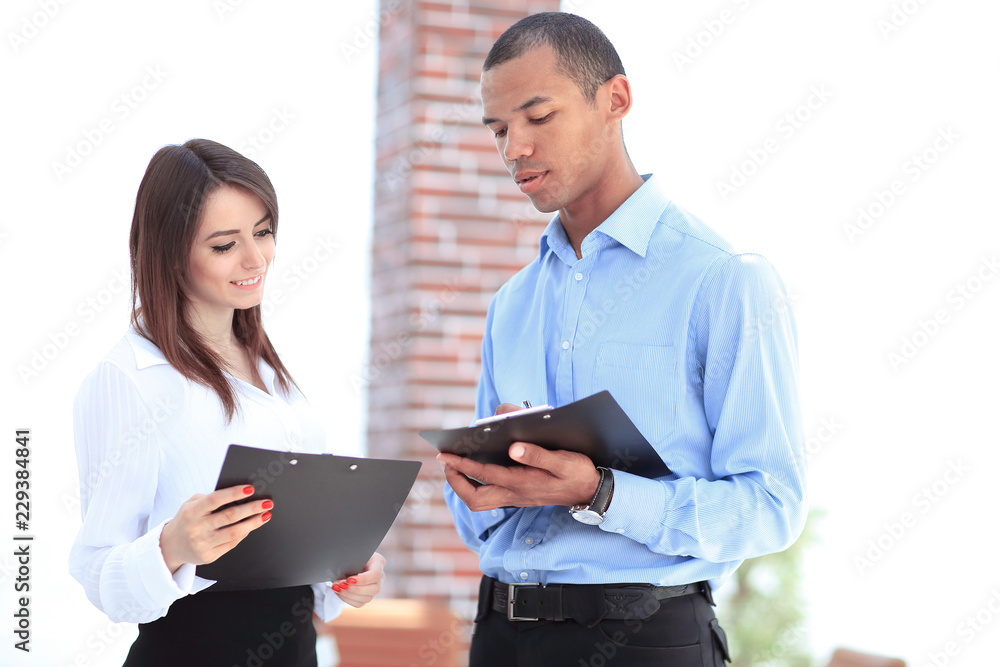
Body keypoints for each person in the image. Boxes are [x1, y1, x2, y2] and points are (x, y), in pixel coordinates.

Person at [436, 12, 806, 667]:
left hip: (642, 640)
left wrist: (600, 491)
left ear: (616, 100)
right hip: (499, 633)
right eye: (498, 129)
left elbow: (771, 505)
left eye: (537, 116)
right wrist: (478, 483)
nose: (513, 148)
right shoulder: (512, 304)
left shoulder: (720, 281)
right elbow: (479, 523)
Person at [69, 139, 384, 666]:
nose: (256, 258)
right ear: (171, 252)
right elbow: (99, 571)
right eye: (224, 245)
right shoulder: (129, 378)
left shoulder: (270, 371)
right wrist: (172, 547)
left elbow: (297, 539)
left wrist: (345, 569)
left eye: (263, 232)